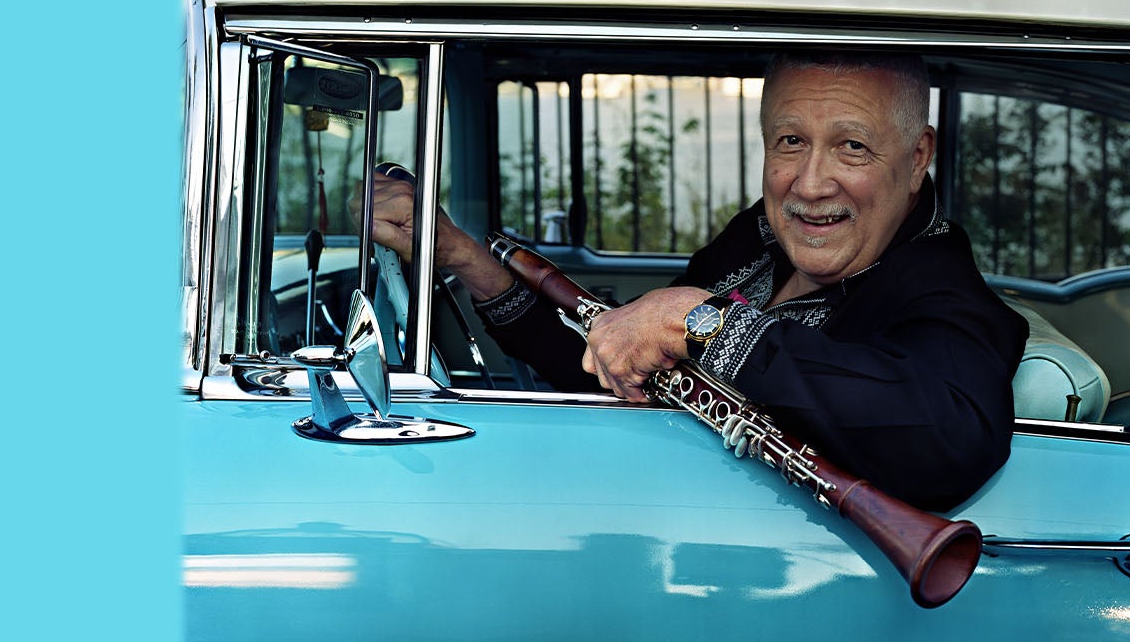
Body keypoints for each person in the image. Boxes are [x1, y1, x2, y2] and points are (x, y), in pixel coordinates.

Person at [362, 51, 1028, 512]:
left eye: (852, 146)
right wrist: (461, 256)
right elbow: (617, 359)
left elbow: (952, 437)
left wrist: (705, 324)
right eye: (790, 141)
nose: (810, 184)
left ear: (917, 157)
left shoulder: (940, 284)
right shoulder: (763, 236)